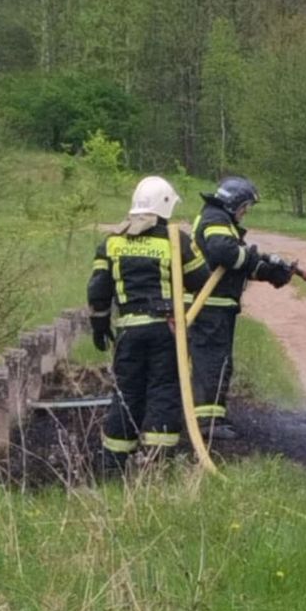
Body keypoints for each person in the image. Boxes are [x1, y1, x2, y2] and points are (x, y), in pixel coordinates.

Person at [88, 176, 209, 470]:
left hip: (129, 331)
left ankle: (114, 462)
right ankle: (157, 462)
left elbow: (98, 290)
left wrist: (100, 324)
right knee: (164, 389)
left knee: (126, 391)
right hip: (166, 330)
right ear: (166, 205)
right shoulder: (175, 239)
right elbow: (201, 280)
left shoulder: (113, 241)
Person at [188, 176, 294, 439]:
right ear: (233, 202)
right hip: (209, 306)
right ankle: (206, 424)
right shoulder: (215, 219)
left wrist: (270, 272)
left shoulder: (221, 221)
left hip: (217, 307)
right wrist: (257, 256)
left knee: (219, 362)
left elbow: (237, 265)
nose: (245, 212)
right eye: (245, 206)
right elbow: (225, 254)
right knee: (212, 363)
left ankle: (212, 418)